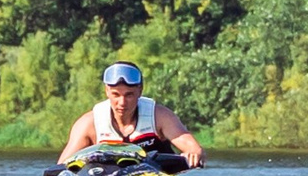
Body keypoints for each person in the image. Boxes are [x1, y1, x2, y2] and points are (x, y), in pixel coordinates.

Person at [58, 61, 203, 168]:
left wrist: (193, 154)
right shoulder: (89, 124)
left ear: (140, 91)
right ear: (107, 91)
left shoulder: (160, 116)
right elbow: (61, 167)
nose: (122, 102)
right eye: (116, 95)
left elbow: (194, 148)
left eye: (129, 95)